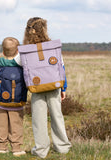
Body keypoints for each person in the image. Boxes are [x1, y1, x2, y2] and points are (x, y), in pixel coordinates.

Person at [21, 17, 71, 158]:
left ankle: (41, 150)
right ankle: (62, 147)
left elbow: (20, 68)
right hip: (54, 87)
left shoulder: (24, 51)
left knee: (38, 120)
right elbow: (61, 68)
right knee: (57, 117)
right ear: (44, 30)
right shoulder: (53, 48)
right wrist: (64, 88)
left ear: (28, 31)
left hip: (36, 89)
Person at [0, 37, 26, 156]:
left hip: (1, 102)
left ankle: (2, 148)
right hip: (18, 102)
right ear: (18, 51)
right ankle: (16, 149)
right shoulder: (22, 66)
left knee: (1, 124)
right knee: (16, 125)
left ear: (3, 52)